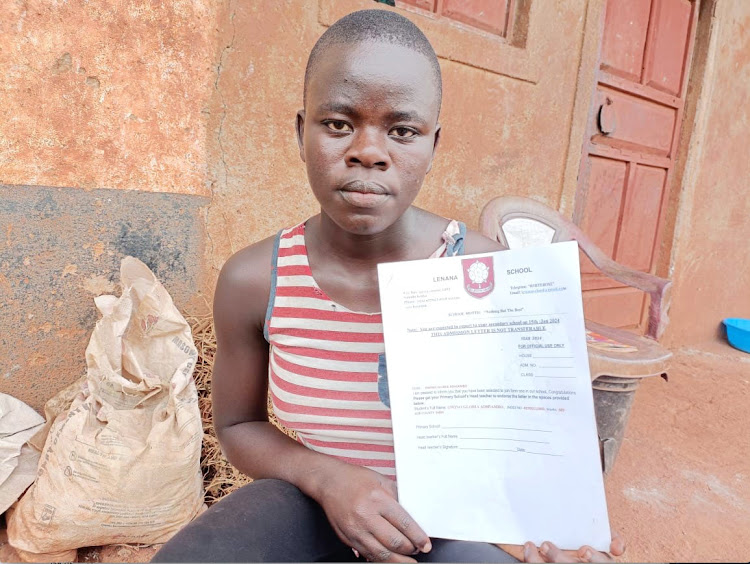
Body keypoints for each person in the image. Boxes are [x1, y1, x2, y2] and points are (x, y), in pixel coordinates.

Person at [152, 9, 625, 563]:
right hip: (312, 504)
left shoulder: (489, 276)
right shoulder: (255, 280)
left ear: (432, 143)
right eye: (337, 124)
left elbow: (539, 451)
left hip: (452, 524)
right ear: (300, 131)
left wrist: (557, 535)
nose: (369, 152)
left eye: (402, 131)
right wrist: (329, 479)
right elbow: (237, 424)